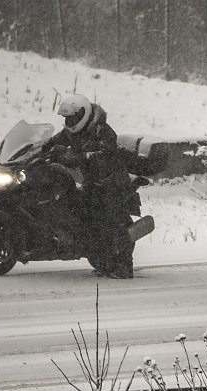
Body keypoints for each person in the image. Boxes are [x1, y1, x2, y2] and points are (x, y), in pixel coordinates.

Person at [49, 94, 134, 278]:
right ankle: (100, 259)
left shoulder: (102, 130)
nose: (69, 122)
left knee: (110, 220)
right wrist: (37, 149)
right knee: (83, 217)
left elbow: (101, 155)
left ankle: (125, 266)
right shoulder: (71, 132)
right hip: (91, 182)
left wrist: (77, 157)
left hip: (111, 182)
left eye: (72, 118)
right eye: (67, 119)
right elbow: (53, 142)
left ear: (83, 115)